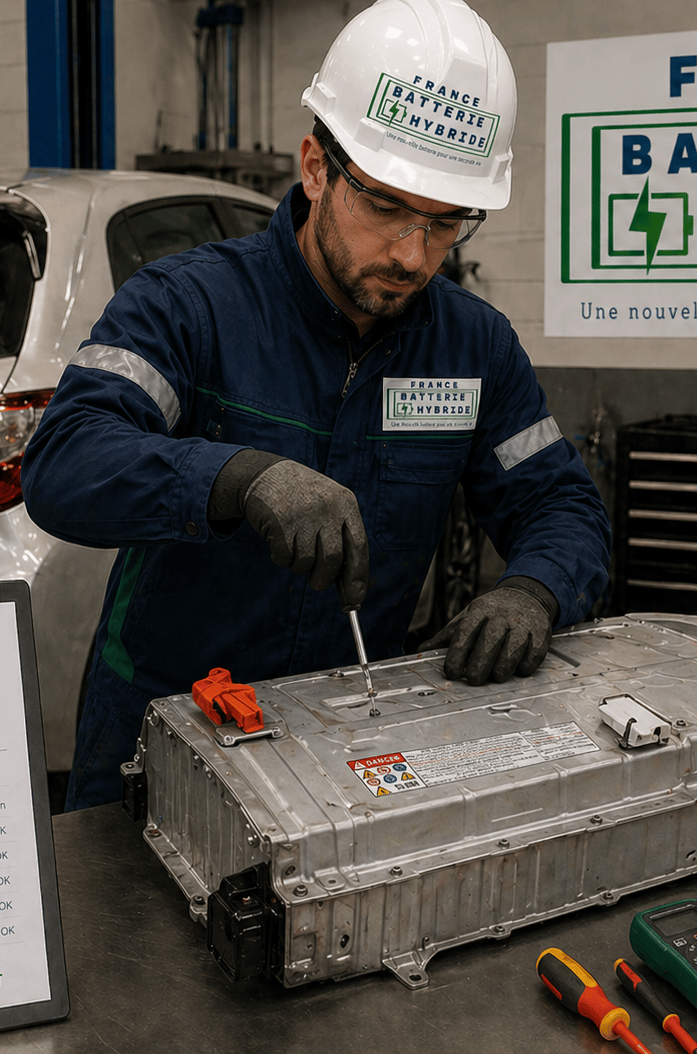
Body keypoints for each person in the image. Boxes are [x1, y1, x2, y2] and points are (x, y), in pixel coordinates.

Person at [21, 0, 610, 810]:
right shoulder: (188, 306)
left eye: (446, 223)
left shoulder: (474, 349)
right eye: (386, 206)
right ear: (315, 168)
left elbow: (560, 503)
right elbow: (64, 462)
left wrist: (533, 590)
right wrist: (238, 477)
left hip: (346, 748)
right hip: (161, 740)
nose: (413, 255)